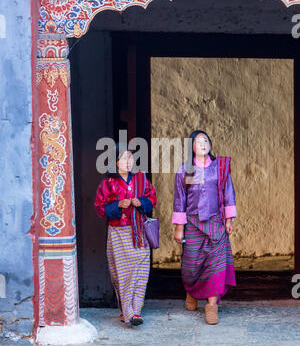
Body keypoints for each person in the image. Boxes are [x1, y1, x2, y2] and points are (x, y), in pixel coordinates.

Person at [172, 130, 237, 325]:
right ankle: (192, 291)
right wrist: (179, 228)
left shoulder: (220, 167)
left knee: (215, 265)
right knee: (191, 265)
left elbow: (228, 193)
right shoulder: (185, 170)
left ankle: (211, 305)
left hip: (216, 223)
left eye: (206, 140)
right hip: (192, 223)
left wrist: (228, 219)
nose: (203, 143)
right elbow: (179, 200)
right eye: (198, 141)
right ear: (191, 146)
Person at [94, 143, 157, 326]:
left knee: (141, 271)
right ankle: (127, 311)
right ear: (114, 162)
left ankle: (136, 311)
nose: (128, 161)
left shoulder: (141, 179)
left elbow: (152, 199)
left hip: (139, 233)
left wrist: (142, 202)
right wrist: (118, 205)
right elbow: (99, 208)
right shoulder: (108, 183)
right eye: (123, 158)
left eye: (130, 157)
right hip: (119, 233)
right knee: (123, 274)